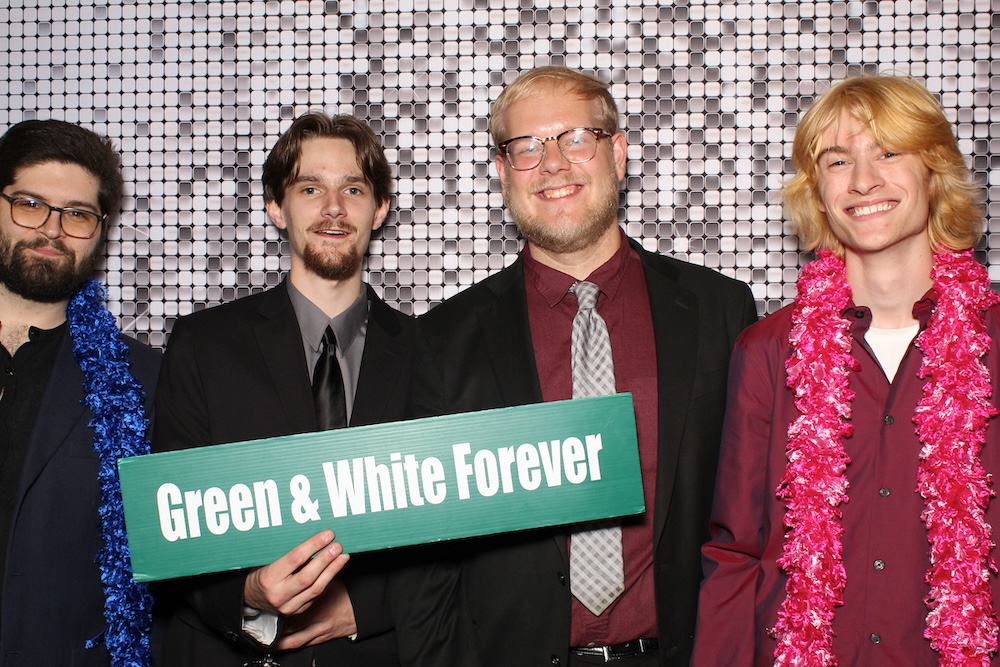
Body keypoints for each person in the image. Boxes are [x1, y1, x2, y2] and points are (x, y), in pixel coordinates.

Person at [398, 65, 758, 667]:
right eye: (527, 147)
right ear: (503, 173)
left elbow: (756, 516)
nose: (553, 164)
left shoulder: (719, 311)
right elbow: (425, 558)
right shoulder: (441, 340)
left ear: (617, 153)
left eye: (576, 139)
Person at [692, 74, 1000, 666]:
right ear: (818, 190)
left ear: (933, 171)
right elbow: (736, 555)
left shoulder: (993, 344)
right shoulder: (767, 350)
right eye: (838, 161)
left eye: (888, 153)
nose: (863, 181)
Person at [153, 112, 413, 665]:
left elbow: (464, 535)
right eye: (310, 188)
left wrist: (366, 607)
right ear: (276, 206)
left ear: (381, 208)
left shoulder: (429, 350)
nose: (334, 208)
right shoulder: (204, 345)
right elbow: (169, 525)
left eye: (354, 189)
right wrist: (245, 595)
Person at [0, 120, 161, 665]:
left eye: (77, 214)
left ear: (99, 230)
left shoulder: (147, 381)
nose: (52, 229)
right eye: (29, 204)